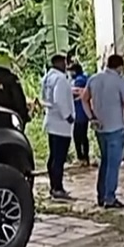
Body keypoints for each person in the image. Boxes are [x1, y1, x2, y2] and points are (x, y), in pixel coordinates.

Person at [81, 54, 124, 209]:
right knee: (113, 165)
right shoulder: (120, 82)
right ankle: (110, 197)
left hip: (100, 129)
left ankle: (101, 195)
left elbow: (84, 99)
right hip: (116, 128)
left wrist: (91, 117)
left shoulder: (94, 79)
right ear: (120, 67)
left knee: (105, 162)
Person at [41, 54, 75, 200]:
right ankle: (58, 188)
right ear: (61, 63)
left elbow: (44, 98)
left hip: (51, 120)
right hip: (61, 123)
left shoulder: (47, 77)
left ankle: (53, 186)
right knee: (59, 158)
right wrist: (68, 116)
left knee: (53, 156)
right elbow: (59, 99)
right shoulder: (60, 79)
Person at [68, 62, 90, 166]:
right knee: (83, 136)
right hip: (84, 112)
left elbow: (75, 93)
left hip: (79, 112)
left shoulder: (79, 80)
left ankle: (81, 157)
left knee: (78, 136)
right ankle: (85, 157)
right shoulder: (86, 78)